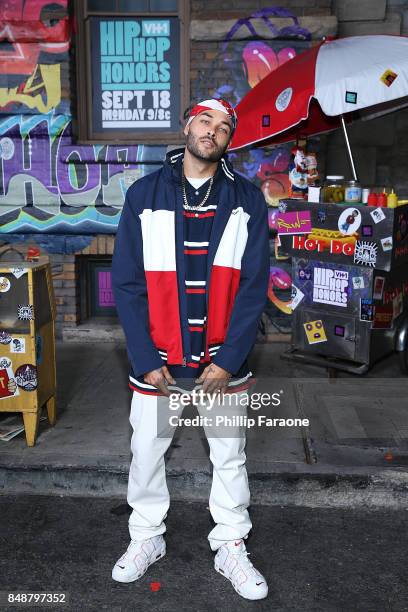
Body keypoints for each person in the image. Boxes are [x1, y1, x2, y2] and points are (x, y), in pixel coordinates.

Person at [111, 98, 270, 601]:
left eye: (224, 127)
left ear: (229, 140)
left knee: (228, 457)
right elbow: (128, 283)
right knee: (147, 454)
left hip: (222, 365)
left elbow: (253, 285)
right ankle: (146, 538)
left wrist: (228, 360)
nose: (213, 131)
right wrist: (144, 358)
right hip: (159, 364)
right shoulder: (143, 195)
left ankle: (230, 545)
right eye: (206, 120)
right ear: (187, 125)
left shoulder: (247, 199)